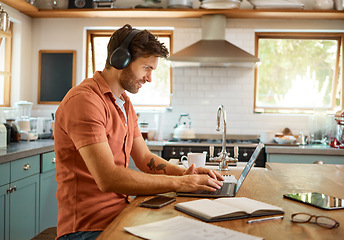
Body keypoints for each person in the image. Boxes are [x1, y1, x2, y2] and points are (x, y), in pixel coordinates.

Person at [54, 24, 224, 240]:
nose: (149, 78)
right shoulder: (85, 101)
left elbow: (144, 158)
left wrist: (185, 173)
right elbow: (108, 178)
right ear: (120, 60)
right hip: (87, 228)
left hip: (121, 214)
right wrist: (181, 183)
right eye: (146, 68)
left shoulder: (124, 103)